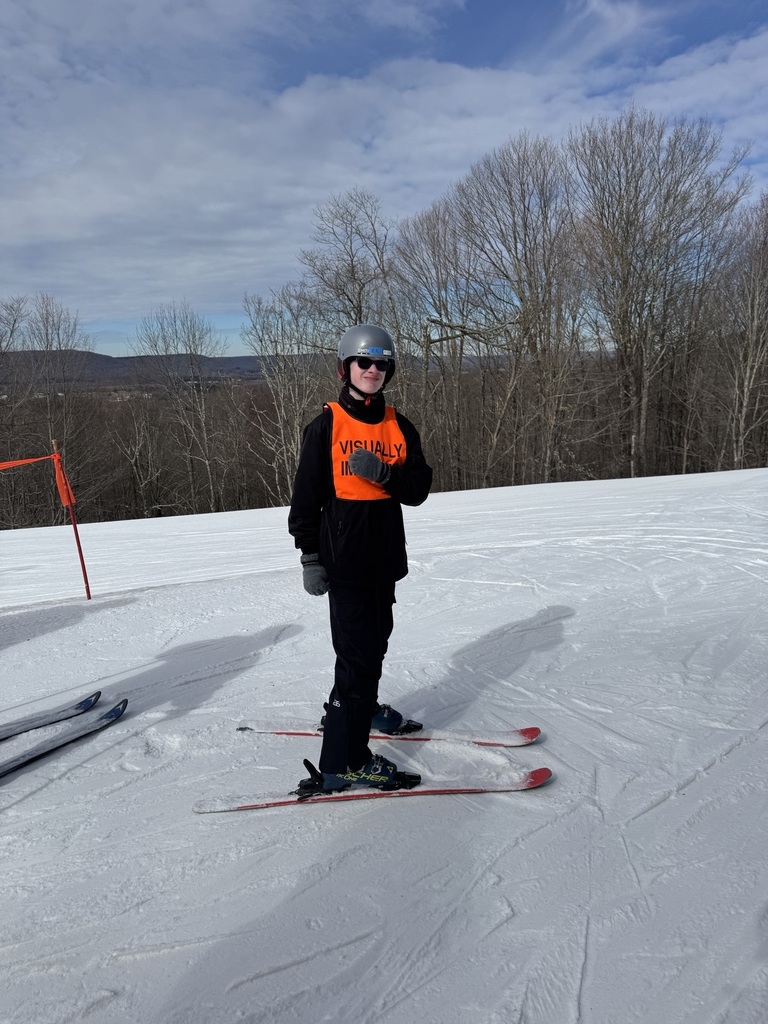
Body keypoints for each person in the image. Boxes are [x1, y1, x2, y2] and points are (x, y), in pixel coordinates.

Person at [288, 324, 433, 792]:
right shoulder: (326, 425)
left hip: (383, 560)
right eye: (363, 363)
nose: (373, 370)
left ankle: (362, 708)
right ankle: (344, 762)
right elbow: (305, 499)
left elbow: (418, 490)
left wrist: (385, 474)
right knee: (357, 660)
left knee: (374, 646)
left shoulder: (398, 424)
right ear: (344, 368)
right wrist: (310, 556)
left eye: (381, 364)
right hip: (344, 564)